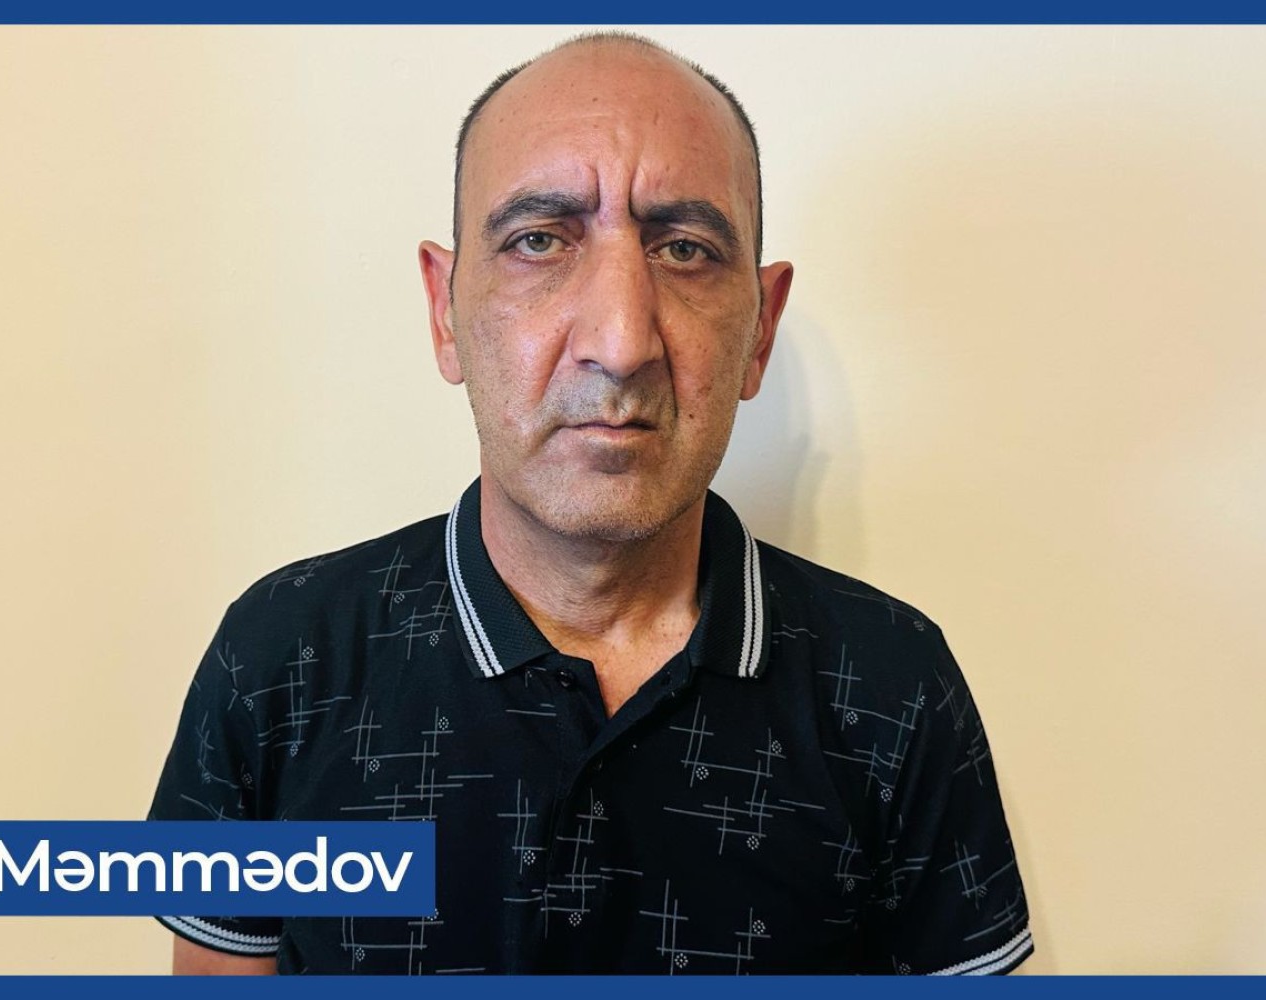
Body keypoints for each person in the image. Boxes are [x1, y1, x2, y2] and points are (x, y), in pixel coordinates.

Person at [149, 32, 1033, 975]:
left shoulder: (897, 687)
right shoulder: (280, 657)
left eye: (685, 249)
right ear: (445, 310)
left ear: (760, 329)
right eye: (539, 241)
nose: (620, 342)